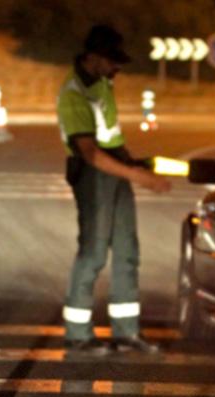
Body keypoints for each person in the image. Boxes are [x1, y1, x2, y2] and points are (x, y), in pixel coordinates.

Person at [57, 24, 171, 355]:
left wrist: (133, 165)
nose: (117, 68)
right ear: (93, 58)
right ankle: (77, 333)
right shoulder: (74, 95)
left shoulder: (101, 81)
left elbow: (109, 135)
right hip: (94, 174)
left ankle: (127, 332)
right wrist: (140, 177)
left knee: (127, 251)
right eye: (112, 61)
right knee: (93, 252)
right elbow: (90, 153)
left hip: (116, 167)